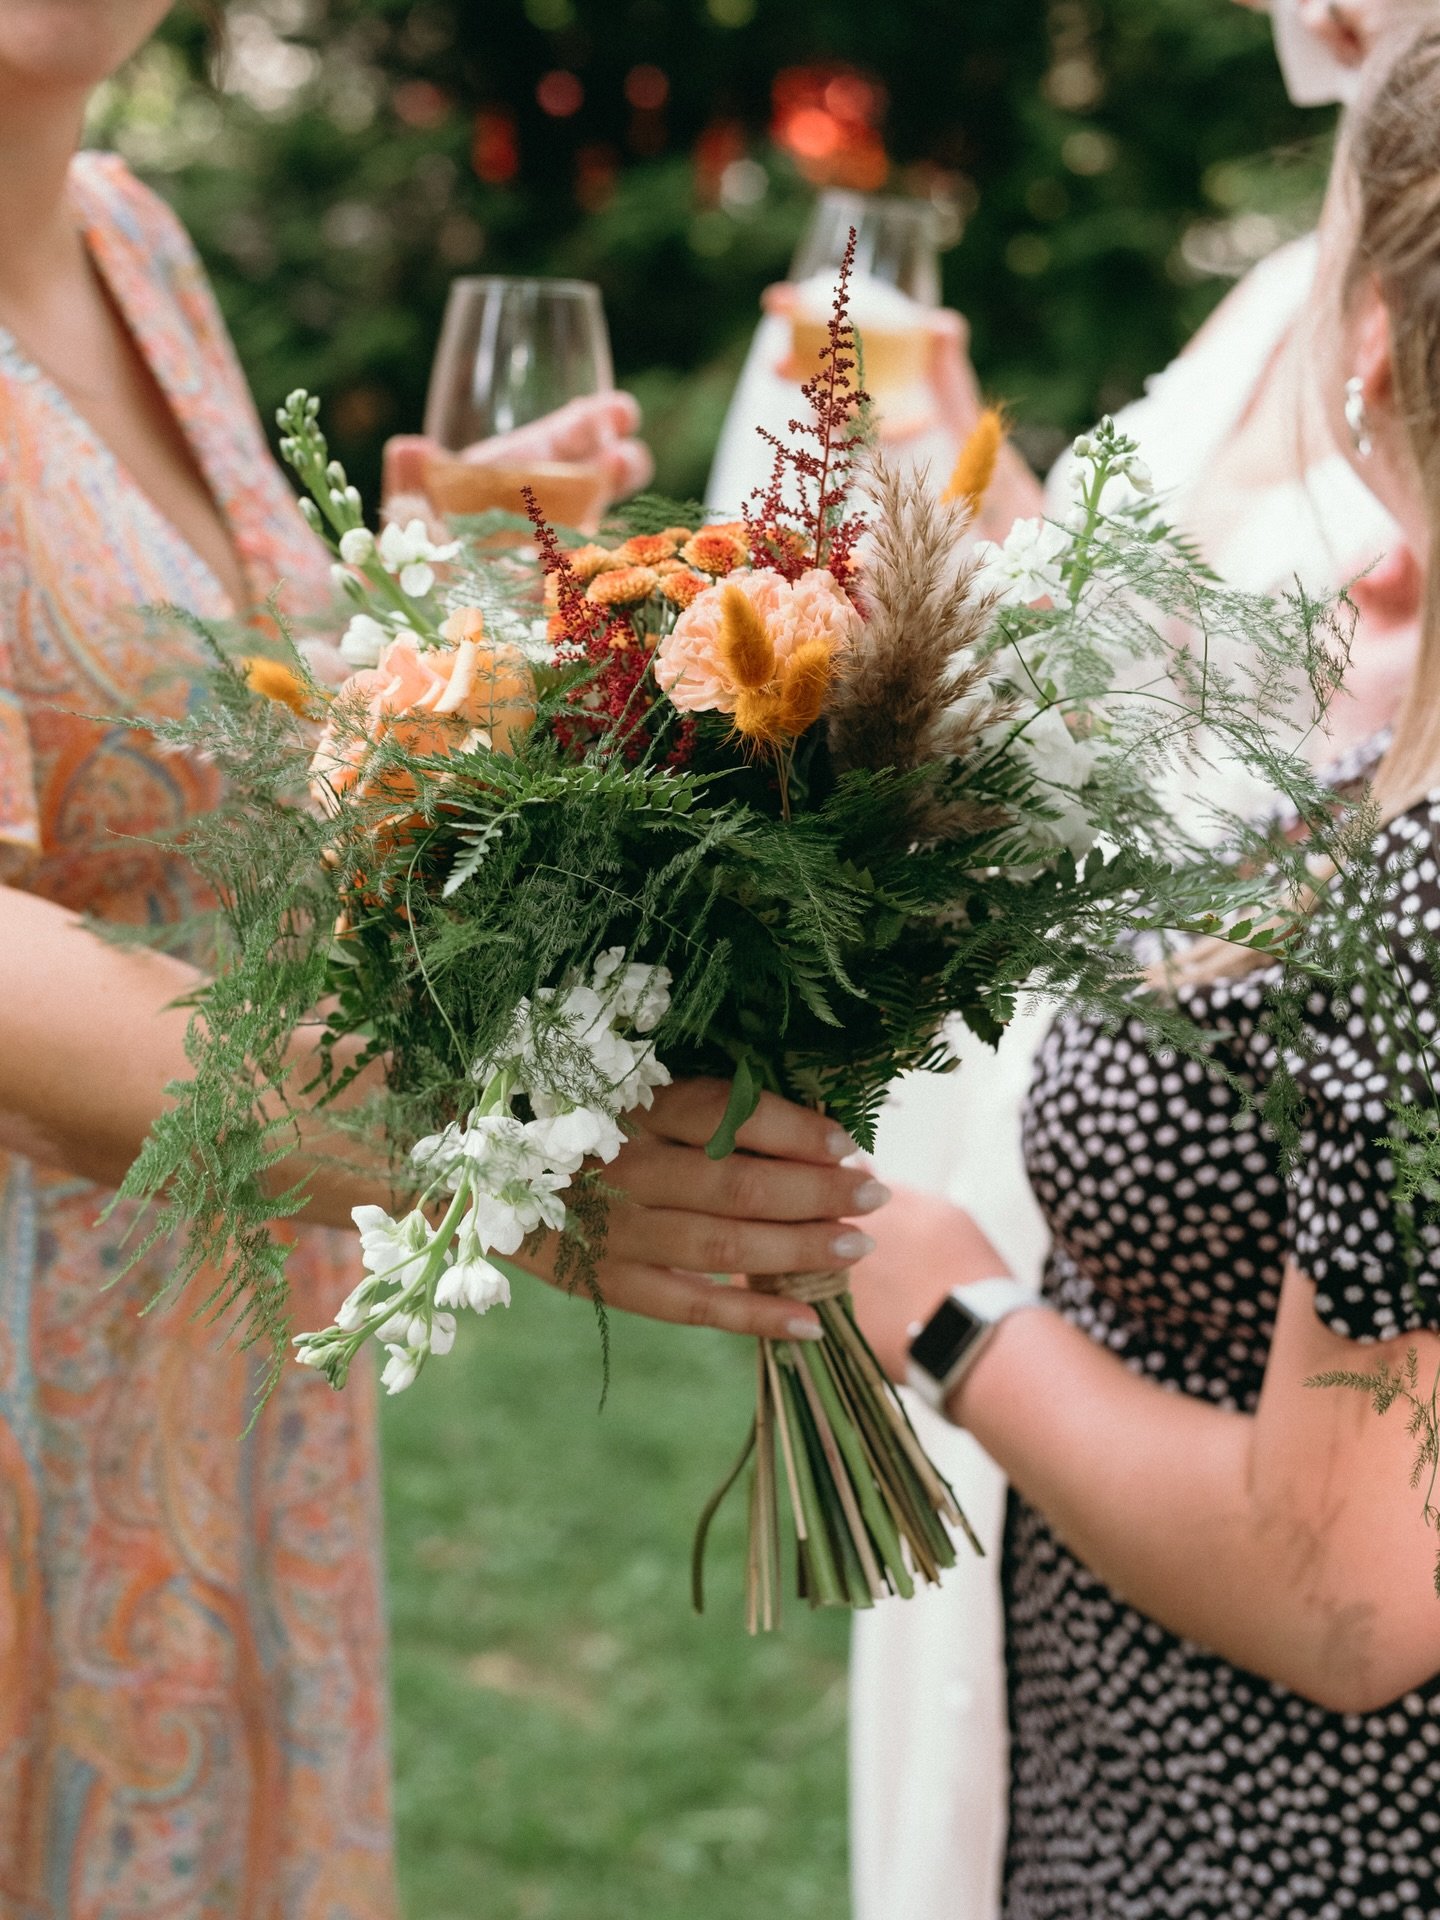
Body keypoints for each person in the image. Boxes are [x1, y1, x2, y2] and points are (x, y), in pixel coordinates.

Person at [0, 5, 872, 1910]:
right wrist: (503, 1162)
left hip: (232, 1330)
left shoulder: (131, 238)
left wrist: (429, 572)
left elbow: (194, 736)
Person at [841, 20, 1440, 1914]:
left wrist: (948, 1312)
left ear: (1365, 351)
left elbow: (1347, 1594)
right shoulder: (1372, 779)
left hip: (1279, 1853)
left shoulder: (1416, 918)